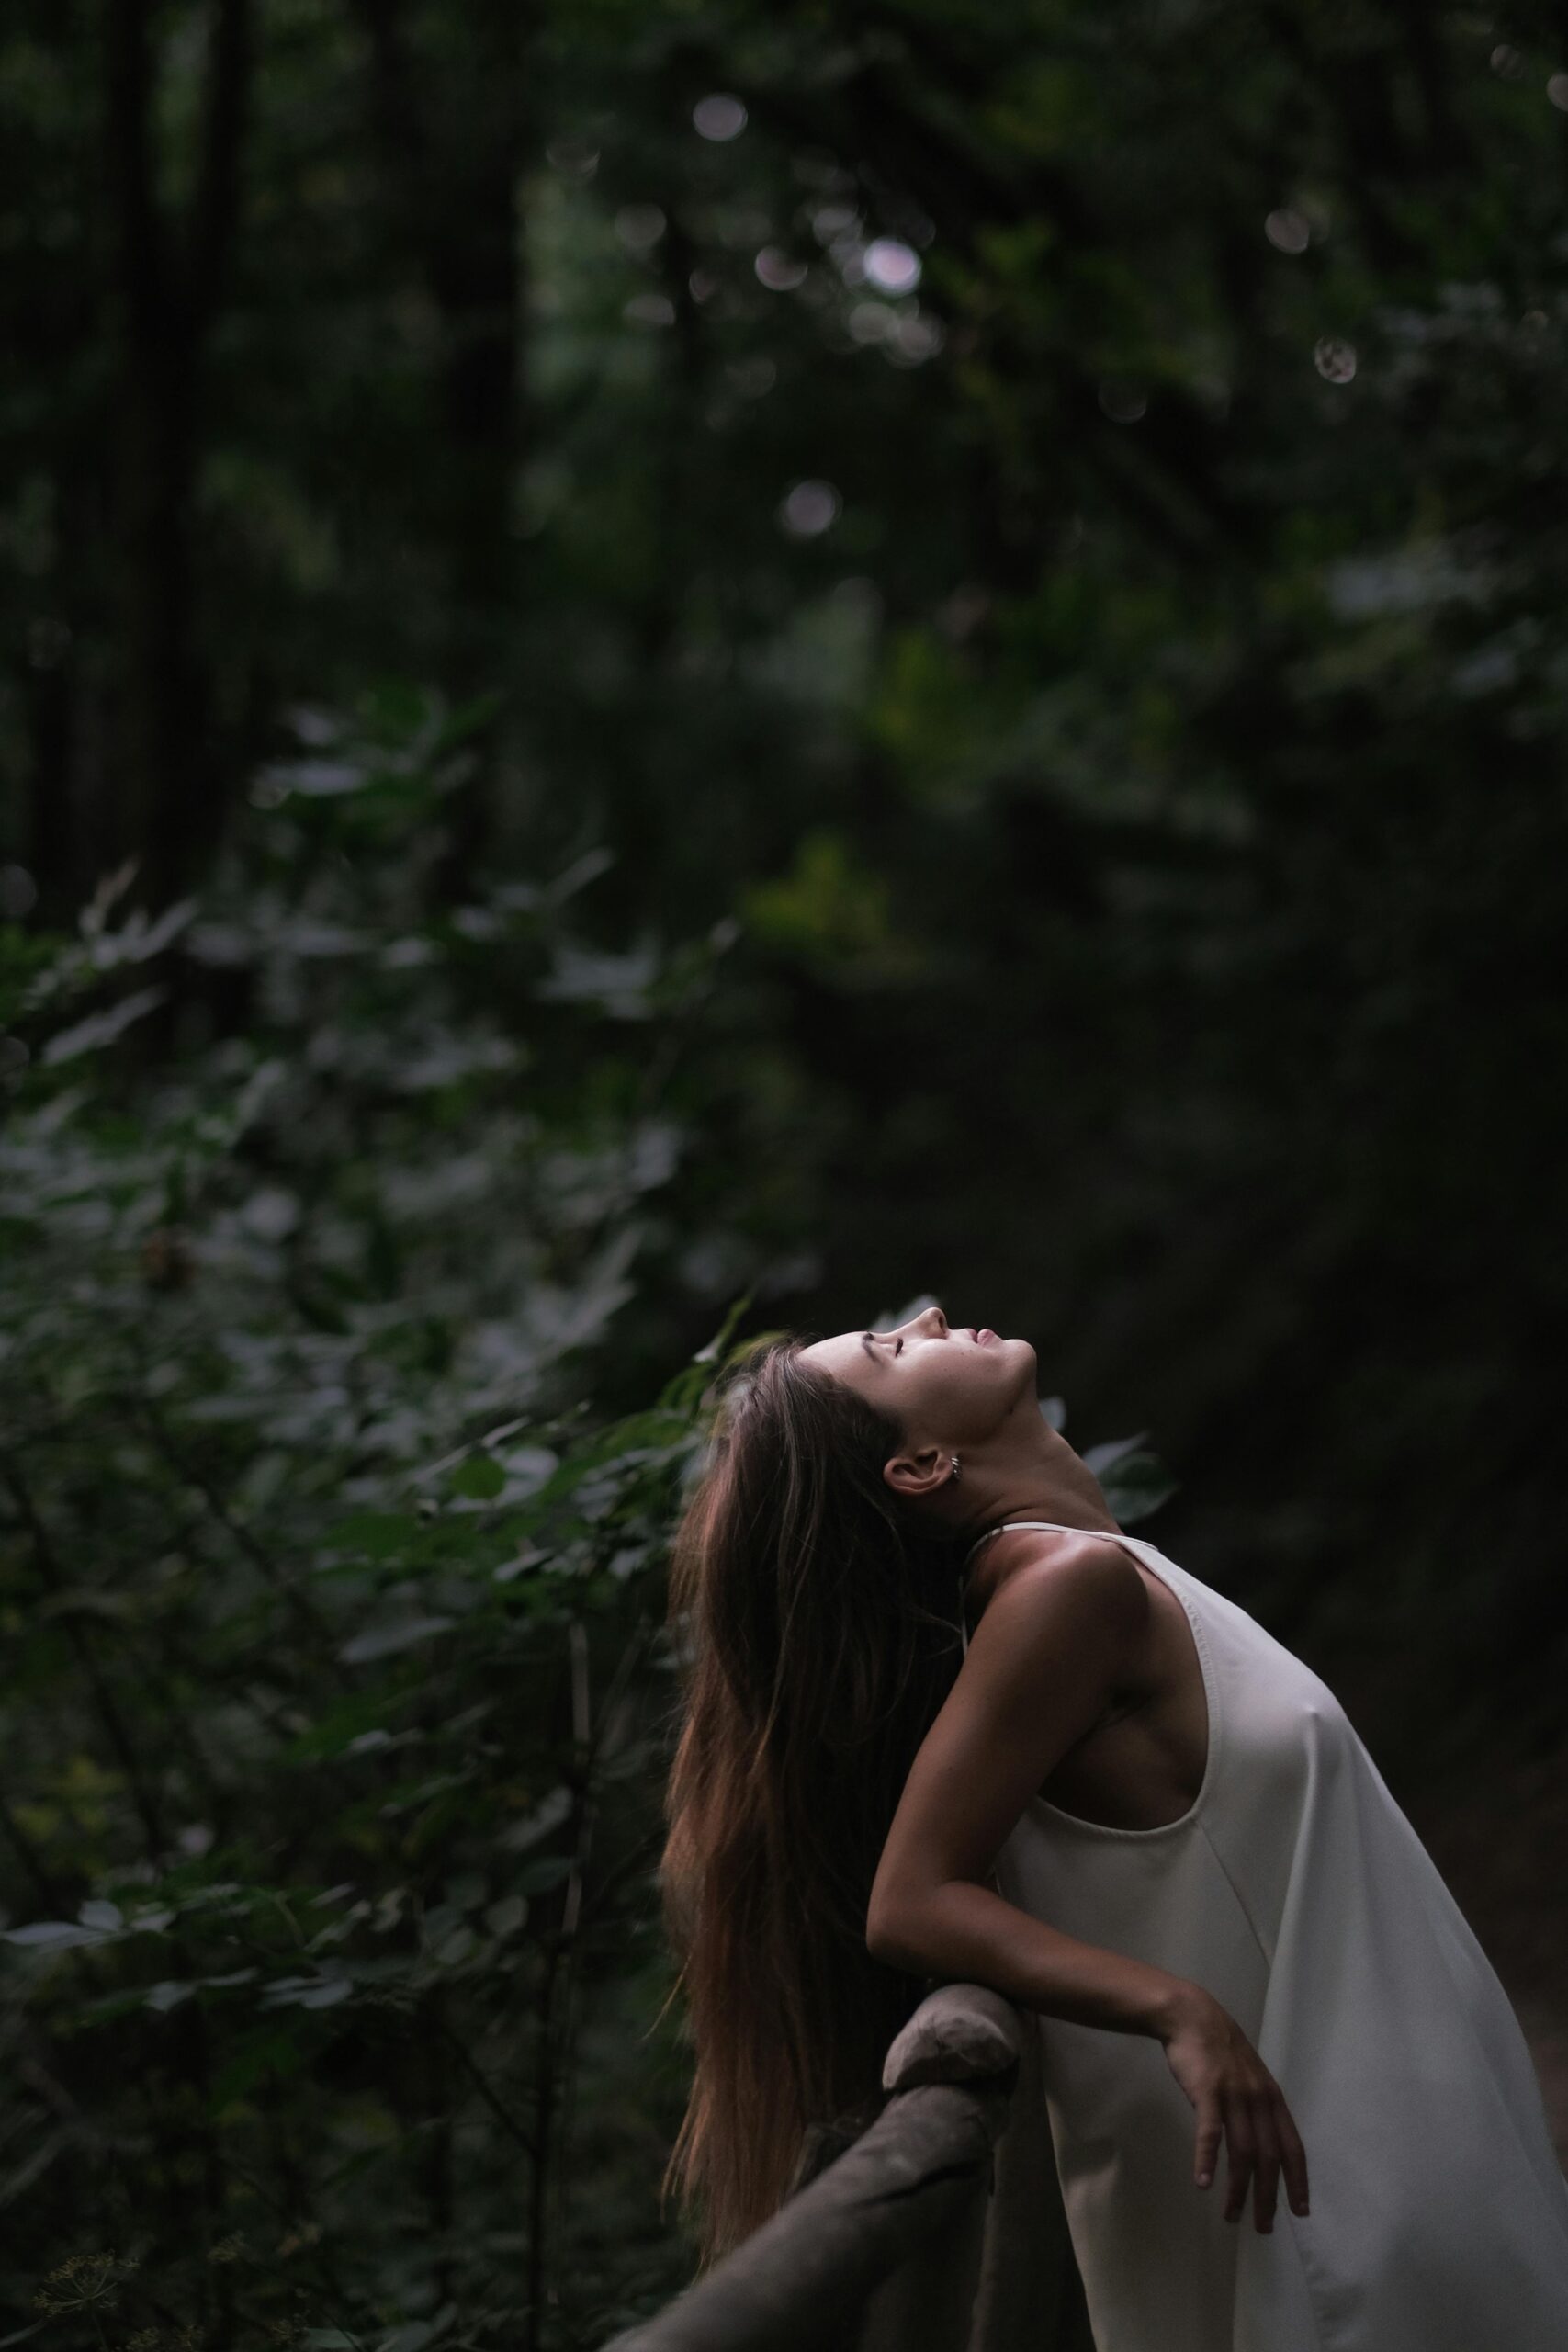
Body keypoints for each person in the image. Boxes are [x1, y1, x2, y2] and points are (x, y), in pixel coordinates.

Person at [659, 1306, 1568, 2349]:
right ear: (921, 1465)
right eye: (893, 1351)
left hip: (1402, 2132)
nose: (928, 1317)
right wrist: (1180, 2009)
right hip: (1338, 2191)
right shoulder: (1065, 1593)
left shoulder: (1088, 1572)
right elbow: (910, 1899)